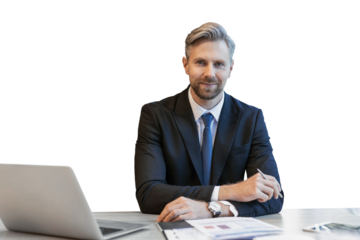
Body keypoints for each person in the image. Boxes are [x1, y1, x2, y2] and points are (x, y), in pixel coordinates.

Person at [134, 19, 284, 222]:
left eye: (219, 64)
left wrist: (211, 208)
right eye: (201, 62)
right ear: (185, 64)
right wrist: (231, 192)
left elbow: (274, 197)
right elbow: (148, 194)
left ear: (231, 68)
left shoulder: (252, 117)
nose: (209, 73)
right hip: (171, 229)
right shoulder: (154, 114)